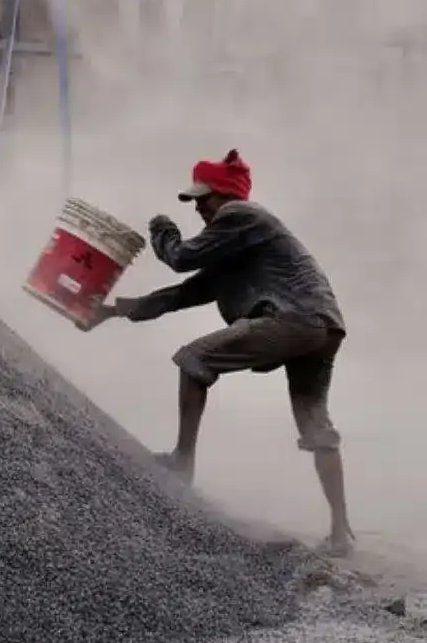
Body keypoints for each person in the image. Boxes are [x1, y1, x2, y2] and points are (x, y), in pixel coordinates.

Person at [86, 150, 355, 556]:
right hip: (323, 327)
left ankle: (182, 461)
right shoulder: (238, 244)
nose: (198, 208)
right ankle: (341, 532)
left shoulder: (240, 215)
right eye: (194, 201)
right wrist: (112, 311)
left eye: (202, 198)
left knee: (194, 359)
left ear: (225, 195)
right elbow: (183, 293)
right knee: (316, 425)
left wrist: (163, 230)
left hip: (294, 318)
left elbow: (179, 259)